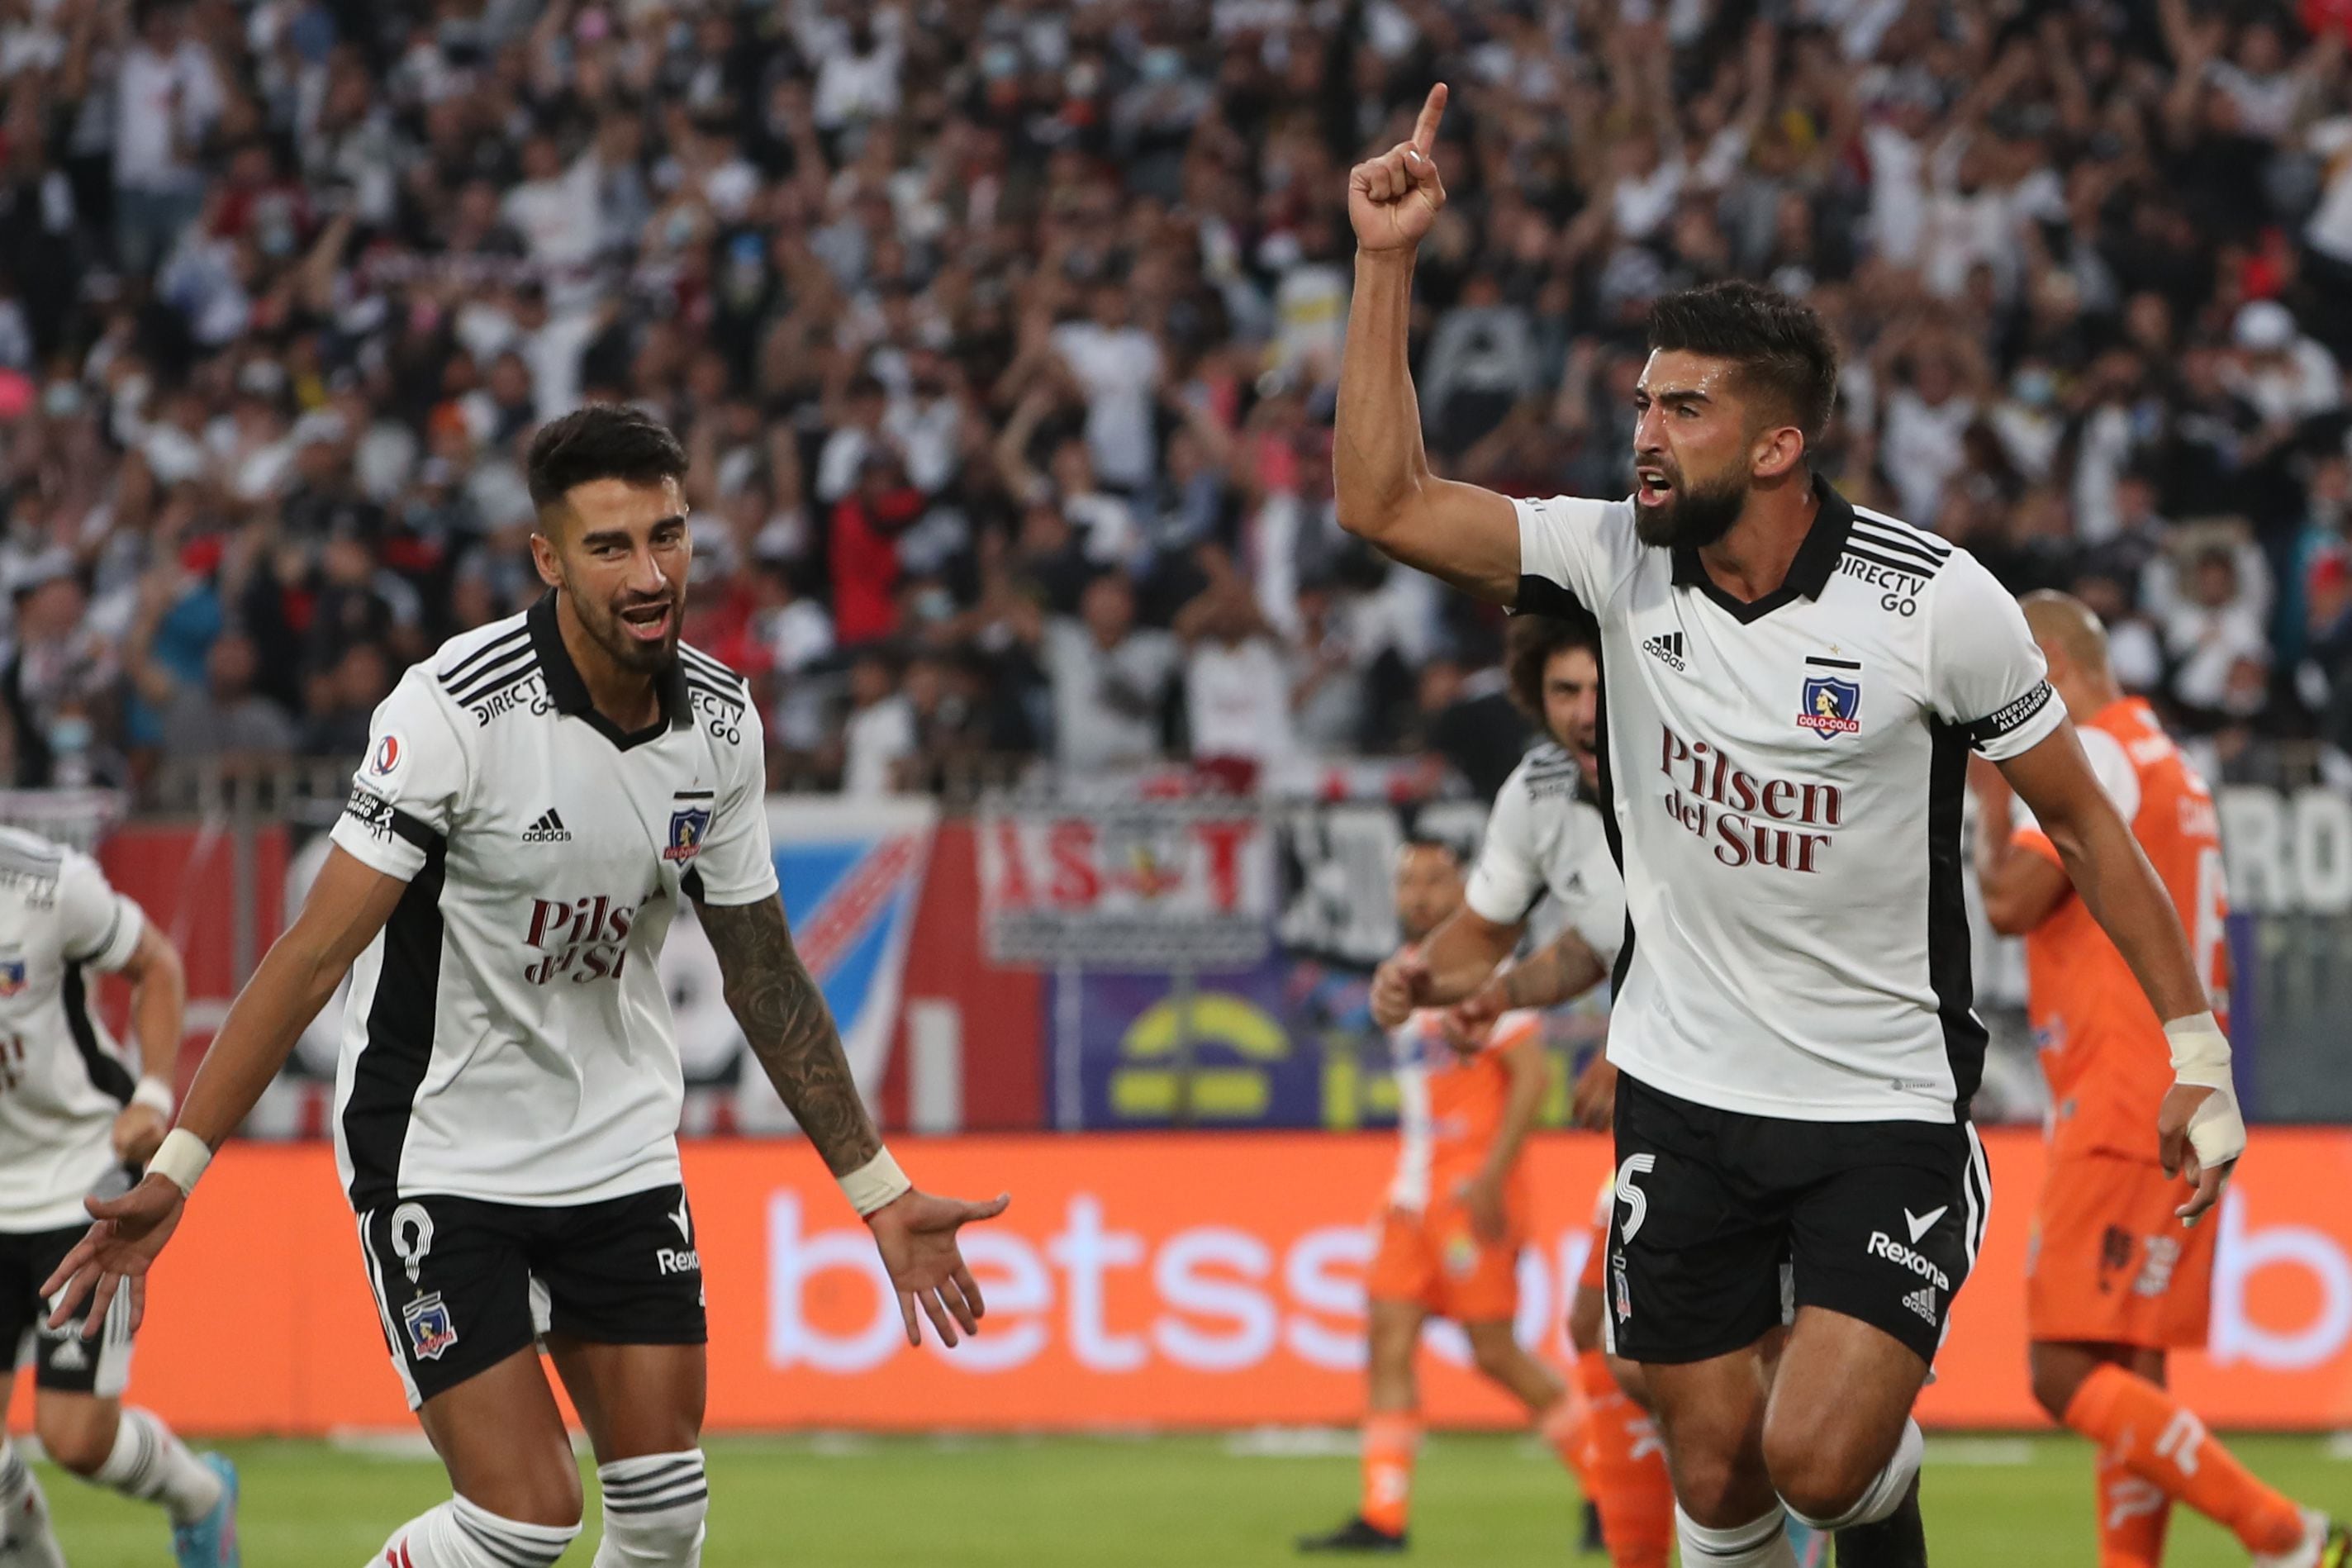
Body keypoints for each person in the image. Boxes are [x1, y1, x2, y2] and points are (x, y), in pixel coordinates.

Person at [1334, 86, 2266, 1568]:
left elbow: (2086, 827)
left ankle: (1877, 1492)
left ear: (1775, 448)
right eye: (1641, 400)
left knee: (1819, 1457)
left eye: (1680, 409)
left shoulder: (1932, 604)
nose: (1641, 432)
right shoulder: (1604, 561)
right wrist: (1382, 264)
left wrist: (2195, 1049)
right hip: (1682, 1090)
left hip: (1879, 1101)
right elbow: (1382, 499)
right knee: (1712, 1471)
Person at [41, 406, 1008, 1568]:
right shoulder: (453, 711)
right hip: (442, 1146)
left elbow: (761, 968)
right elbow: (310, 955)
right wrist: (179, 1171)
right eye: (610, 546)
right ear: (547, 559)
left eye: (669, 535)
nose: (650, 574)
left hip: (613, 1142)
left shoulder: (719, 723)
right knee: (523, 1518)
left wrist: (879, 1190)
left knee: (663, 1513)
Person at [1974, 593, 2345, 1568]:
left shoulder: (2092, 750)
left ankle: (2285, 1531)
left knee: (2059, 1370)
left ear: (2047, 660)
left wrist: (1984, 793)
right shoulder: (2169, 760)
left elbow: (2012, 901)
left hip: (2119, 1092)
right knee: (2129, 1364)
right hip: (2182, 1088)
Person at [1296, 838, 1583, 1555]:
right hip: (1412, 1197)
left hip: (1470, 1195)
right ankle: (1382, 1516)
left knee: (1493, 1353)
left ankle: (1608, 1485)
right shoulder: (1410, 977)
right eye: (1408, 882)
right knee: (1386, 1340)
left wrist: (1492, 1176)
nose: (1419, 894)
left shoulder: (1488, 974)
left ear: (1465, 888)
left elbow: (1531, 1075)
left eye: (1434, 879)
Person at [0, 827, 237, 1568]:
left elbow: (156, 965)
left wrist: (154, 1095)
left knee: (75, 1440)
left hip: (78, 1182)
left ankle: (199, 1495)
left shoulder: (46, 884)